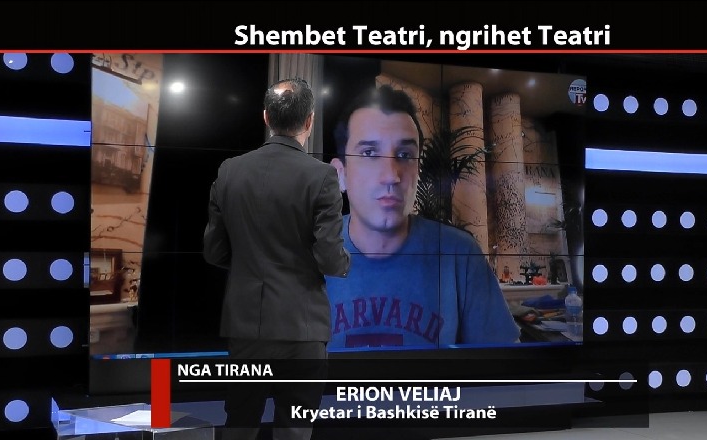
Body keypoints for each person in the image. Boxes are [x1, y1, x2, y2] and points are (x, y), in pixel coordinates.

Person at [204, 78, 350, 440]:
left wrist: (250, 263)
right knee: (294, 429)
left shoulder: (229, 171)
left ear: (266, 117)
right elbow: (330, 258)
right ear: (310, 121)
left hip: (246, 328)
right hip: (303, 329)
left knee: (239, 425)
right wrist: (345, 263)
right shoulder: (323, 176)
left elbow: (214, 252)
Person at [326, 85, 520, 349]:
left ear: (418, 171)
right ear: (340, 175)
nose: (391, 176)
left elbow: (504, 368)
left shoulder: (459, 254)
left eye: (405, 155)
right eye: (369, 153)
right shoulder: (302, 255)